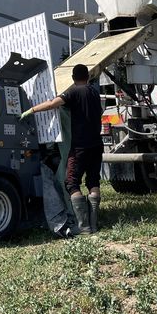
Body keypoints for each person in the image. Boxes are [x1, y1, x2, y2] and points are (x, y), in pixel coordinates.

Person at [21, 64, 103, 234]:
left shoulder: (73, 92)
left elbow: (52, 104)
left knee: (71, 183)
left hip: (79, 147)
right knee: (93, 182)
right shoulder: (95, 93)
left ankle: (84, 227)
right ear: (87, 77)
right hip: (97, 145)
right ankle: (94, 225)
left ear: (73, 78)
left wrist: (32, 110)